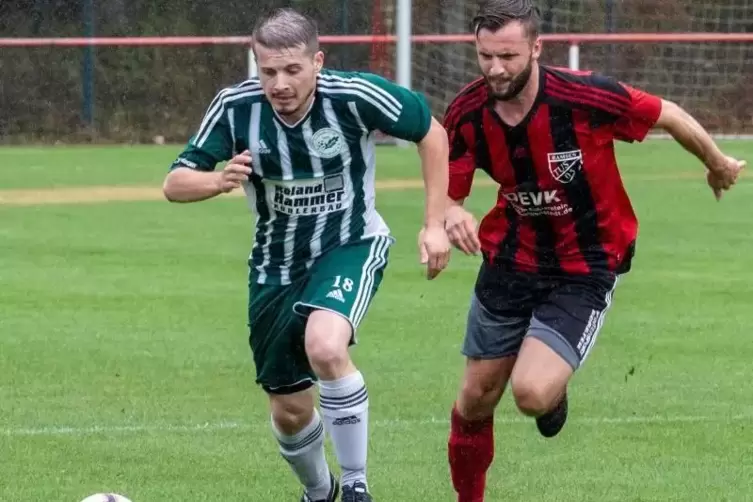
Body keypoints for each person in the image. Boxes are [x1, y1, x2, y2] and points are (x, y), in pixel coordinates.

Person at [441, 1, 746, 500]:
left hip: (587, 265)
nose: (495, 69)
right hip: (511, 258)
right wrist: (449, 213)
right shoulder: (467, 113)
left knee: (531, 394)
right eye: (485, 56)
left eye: (508, 56)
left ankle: (552, 391)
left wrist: (715, 162)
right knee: (474, 399)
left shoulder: (584, 96)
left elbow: (666, 113)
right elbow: (449, 192)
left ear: (536, 48)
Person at [162, 8, 451, 502]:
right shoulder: (235, 108)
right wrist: (217, 179)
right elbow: (174, 183)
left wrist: (434, 223)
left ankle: (357, 485)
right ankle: (320, 491)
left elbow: (432, 132)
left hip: (350, 243)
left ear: (317, 61)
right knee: (289, 408)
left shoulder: (355, 95)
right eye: (268, 70)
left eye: (292, 69)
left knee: (326, 345)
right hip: (274, 267)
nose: (279, 83)